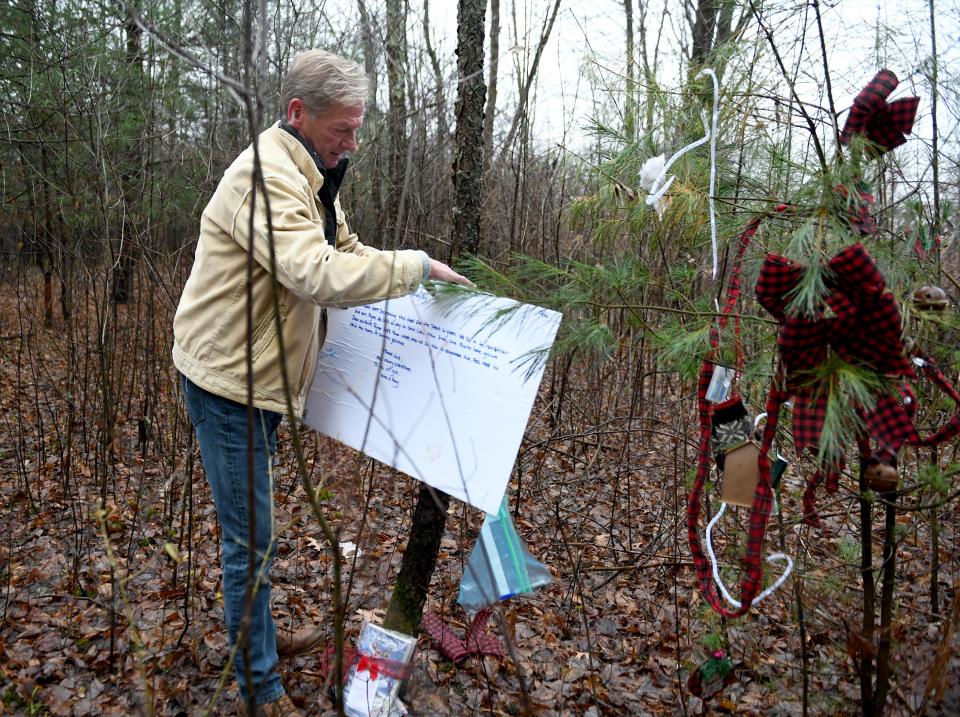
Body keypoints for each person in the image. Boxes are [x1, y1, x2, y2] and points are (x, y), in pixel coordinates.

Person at [173, 49, 472, 717]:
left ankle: (261, 648)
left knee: (256, 531)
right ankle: (260, 687)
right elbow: (316, 274)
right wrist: (412, 266)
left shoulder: (310, 174)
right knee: (249, 540)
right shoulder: (265, 177)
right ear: (299, 114)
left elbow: (345, 249)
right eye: (343, 128)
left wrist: (426, 274)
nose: (352, 142)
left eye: (359, 128)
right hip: (228, 382)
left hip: (260, 378)